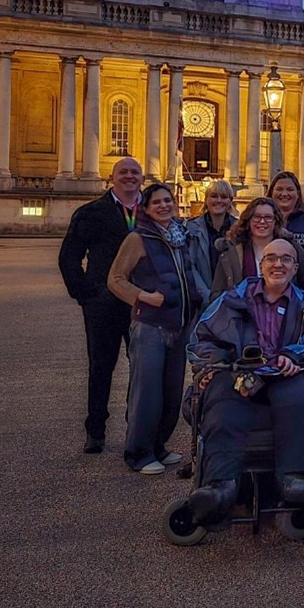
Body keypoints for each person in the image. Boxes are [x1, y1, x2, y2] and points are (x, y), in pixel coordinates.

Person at [184, 238, 304, 524]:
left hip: (284, 376)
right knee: (223, 399)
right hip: (238, 373)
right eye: (271, 258)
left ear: (296, 267)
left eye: (286, 259)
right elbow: (201, 339)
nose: (278, 264)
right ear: (261, 265)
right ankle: (220, 485)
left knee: (299, 395)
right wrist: (224, 362)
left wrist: (293, 356)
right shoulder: (231, 299)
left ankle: (293, 476)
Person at [106, 182, 203, 474]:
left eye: (167, 201)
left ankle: (158, 445)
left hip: (180, 323)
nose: (164, 206)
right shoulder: (138, 238)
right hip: (150, 325)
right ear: (145, 209)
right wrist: (143, 296)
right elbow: (115, 279)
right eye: (156, 202)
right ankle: (138, 452)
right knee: (146, 391)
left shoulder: (180, 235)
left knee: (171, 392)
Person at [58, 156, 144, 453]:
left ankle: (137, 426)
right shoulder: (92, 212)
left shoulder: (152, 212)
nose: (129, 177)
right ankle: (96, 429)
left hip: (141, 303)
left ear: (142, 179)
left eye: (135, 172)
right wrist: (85, 293)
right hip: (103, 303)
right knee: (101, 367)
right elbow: (69, 256)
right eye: (124, 172)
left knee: (143, 369)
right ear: (112, 177)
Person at [209, 197, 304, 302]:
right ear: (248, 220)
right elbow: (217, 292)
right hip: (241, 313)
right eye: (257, 217)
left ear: (275, 221)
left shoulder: (292, 248)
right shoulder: (232, 251)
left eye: (268, 217)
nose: (262, 221)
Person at [186, 179, 236, 303]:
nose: (219, 200)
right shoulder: (191, 228)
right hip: (201, 299)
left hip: (232, 299)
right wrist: (207, 296)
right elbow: (190, 265)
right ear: (206, 200)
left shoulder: (239, 229)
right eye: (214, 196)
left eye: (224, 197)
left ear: (230, 201)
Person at [267, 170, 304, 255]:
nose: (284, 194)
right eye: (279, 189)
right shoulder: (262, 221)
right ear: (271, 193)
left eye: (290, 189)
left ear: (298, 194)